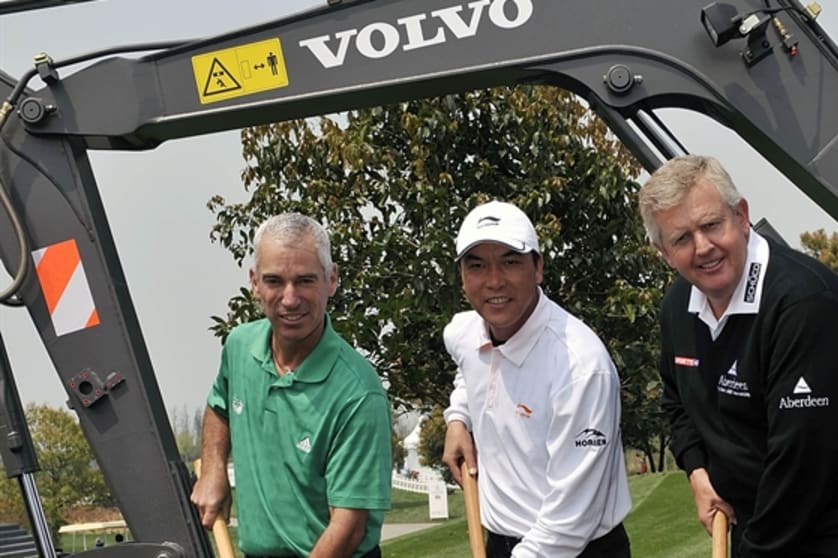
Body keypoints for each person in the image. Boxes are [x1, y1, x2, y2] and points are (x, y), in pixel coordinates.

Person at [638, 155, 838, 557]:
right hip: (760, 515)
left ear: (742, 216)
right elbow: (676, 402)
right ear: (663, 252)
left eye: (712, 225)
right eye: (681, 238)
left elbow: (802, 465)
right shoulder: (677, 307)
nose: (703, 248)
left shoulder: (805, 305)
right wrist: (698, 472)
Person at [191, 213, 392, 558]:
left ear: (331, 280)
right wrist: (213, 468)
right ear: (254, 282)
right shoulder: (239, 347)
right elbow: (220, 406)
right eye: (274, 281)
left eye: (305, 281)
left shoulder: (358, 393)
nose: (289, 298)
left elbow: (347, 528)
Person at [441, 200, 632, 558]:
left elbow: (571, 519)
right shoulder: (462, 332)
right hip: (501, 541)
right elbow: (469, 368)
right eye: (477, 265)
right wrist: (458, 418)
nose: (494, 280)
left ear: (538, 267)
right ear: (462, 276)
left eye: (511, 261)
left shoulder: (580, 367)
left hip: (579, 547)